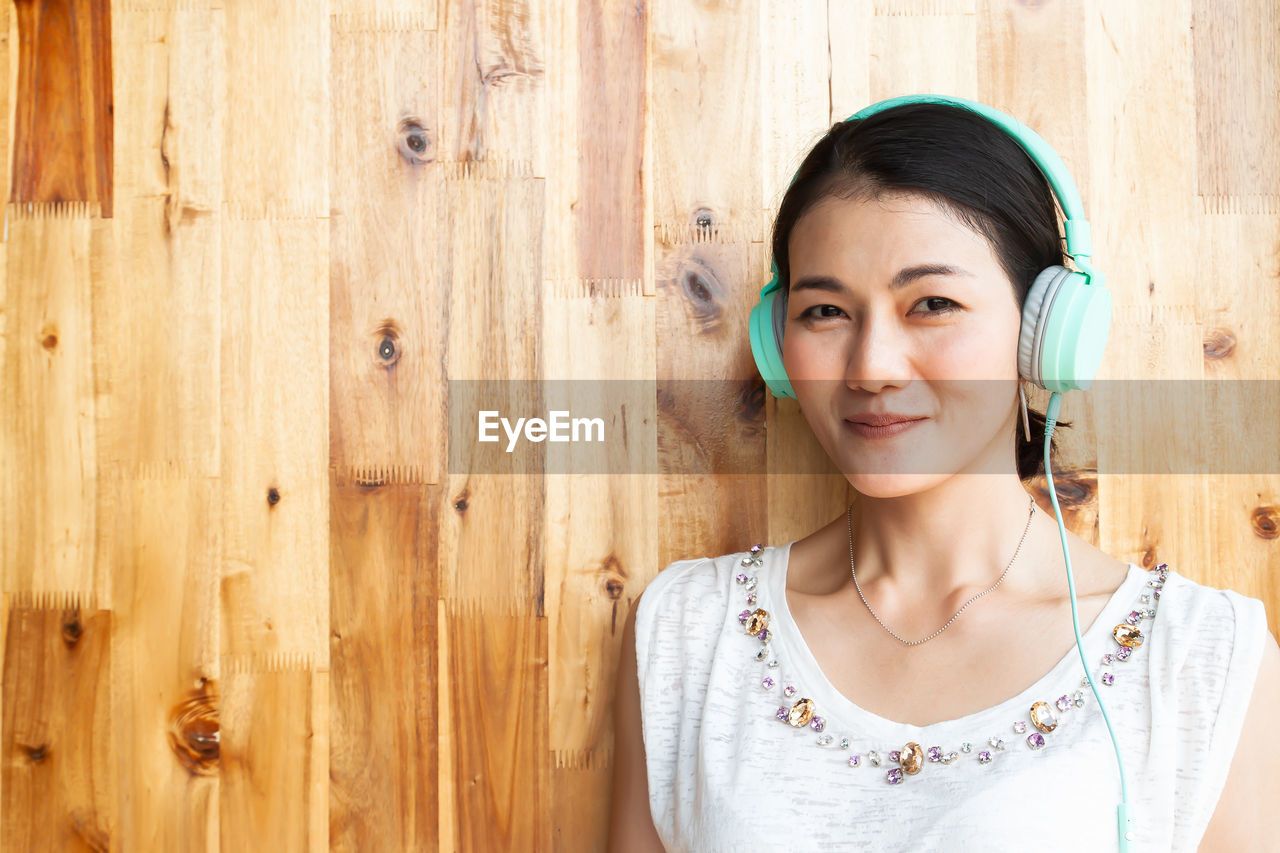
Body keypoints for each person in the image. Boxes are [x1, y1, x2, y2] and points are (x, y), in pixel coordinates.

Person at [607, 100, 1280, 852]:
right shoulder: (690, 631)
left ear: (1044, 336)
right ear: (778, 342)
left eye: (933, 303)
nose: (872, 368)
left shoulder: (1199, 654)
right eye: (826, 310)